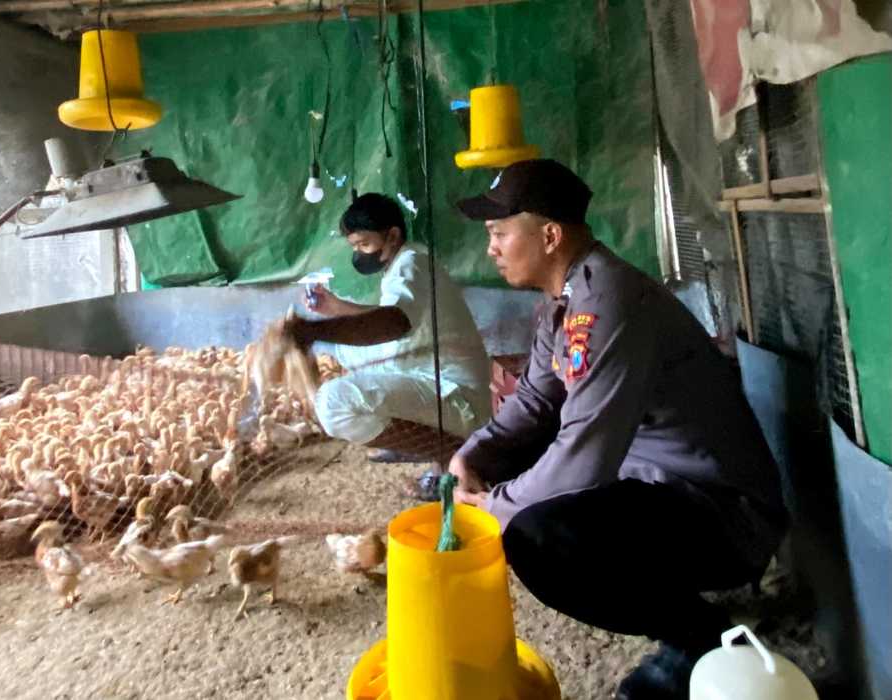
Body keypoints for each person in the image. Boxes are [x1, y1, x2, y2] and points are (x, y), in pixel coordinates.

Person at [450, 159, 787, 699]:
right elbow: (536, 400)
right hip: (655, 481)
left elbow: (585, 456)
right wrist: (474, 456)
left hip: (720, 512)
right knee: (508, 466)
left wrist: (497, 505)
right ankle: (681, 612)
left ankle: (703, 642)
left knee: (537, 537)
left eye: (499, 233)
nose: (490, 248)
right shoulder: (564, 300)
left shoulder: (608, 304)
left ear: (550, 236)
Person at [285, 193, 492, 497]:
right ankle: (415, 439)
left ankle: (451, 452)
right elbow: (390, 315)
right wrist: (335, 307)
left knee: (332, 403)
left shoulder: (412, 264)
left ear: (392, 236)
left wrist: (313, 331)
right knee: (349, 353)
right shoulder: (406, 262)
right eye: (355, 247)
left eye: (364, 244)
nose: (359, 253)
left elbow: (394, 323)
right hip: (430, 377)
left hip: (457, 395)